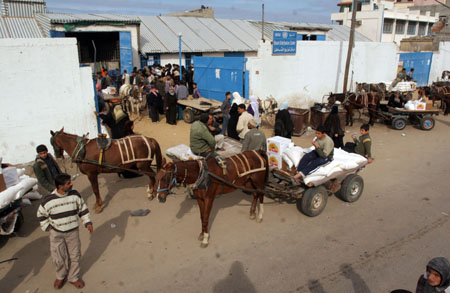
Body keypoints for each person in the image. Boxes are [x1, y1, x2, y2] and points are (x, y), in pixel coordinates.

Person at [37, 173, 93, 289]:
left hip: (73, 232)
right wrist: (47, 227)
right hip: (56, 233)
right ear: (60, 187)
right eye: (68, 183)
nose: (71, 184)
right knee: (58, 257)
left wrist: (87, 222)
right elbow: (41, 215)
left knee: (75, 255)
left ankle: (74, 277)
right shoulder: (48, 200)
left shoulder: (75, 195)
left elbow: (83, 209)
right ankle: (60, 276)